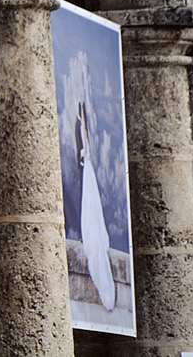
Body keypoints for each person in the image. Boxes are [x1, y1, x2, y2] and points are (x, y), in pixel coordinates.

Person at [78, 99, 116, 310]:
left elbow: (85, 136)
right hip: (88, 175)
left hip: (88, 176)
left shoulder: (86, 143)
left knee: (90, 210)